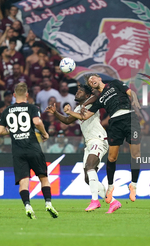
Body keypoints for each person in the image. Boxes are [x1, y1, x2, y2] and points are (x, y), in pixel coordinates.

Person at [63, 73, 142, 205]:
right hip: (115, 123)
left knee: (136, 154)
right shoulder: (99, 99)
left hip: (130, 118)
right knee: (112, 158)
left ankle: (133, 185)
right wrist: (70, 112)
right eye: (89, 80)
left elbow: (130, 92)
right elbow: (84, 116)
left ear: (99, 79)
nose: (91, 80)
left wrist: (135, 99)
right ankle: (110, 187)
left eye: (93, 77)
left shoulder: (115, 83)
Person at [46, 85, 120, 213]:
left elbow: (97, 95)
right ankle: (113, 202)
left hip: (99, 139)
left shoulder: (92, 103)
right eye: (77, 91)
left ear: (87, 95)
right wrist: (56, 113)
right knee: (87, 177)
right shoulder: (78, 108)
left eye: (80, 91)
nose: (77, 92)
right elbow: (68, 120)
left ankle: (95, 201)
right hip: (89, 143)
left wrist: (74, 109)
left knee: (90, 166)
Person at [0, 82, 59, 219]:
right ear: (27, 94)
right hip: (33, 148)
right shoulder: (32, 107)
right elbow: (37, 122)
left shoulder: (7, 110)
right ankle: (48, 203)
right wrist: (44, 133)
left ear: (14, 95)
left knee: (24, 180)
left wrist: (13, 130)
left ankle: (27, 205)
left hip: (18, 150)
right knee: (43, 177)